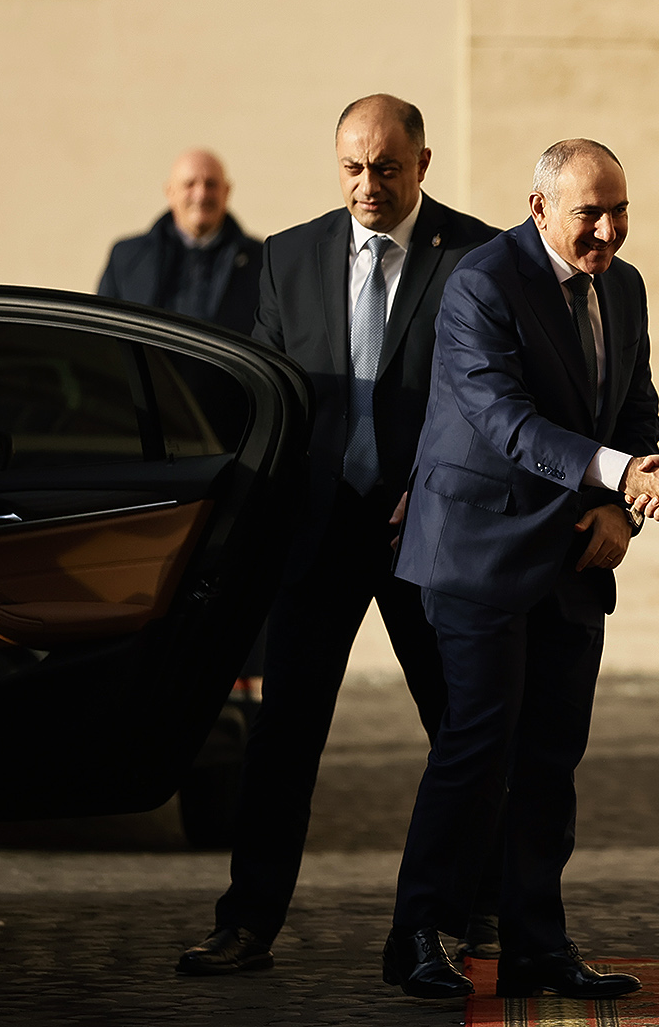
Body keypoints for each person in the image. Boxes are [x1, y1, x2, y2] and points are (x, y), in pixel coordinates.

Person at [176, 95, 498, 976]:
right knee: (283, 736)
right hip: (319, 532)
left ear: (422, 163)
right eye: (353, 167)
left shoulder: (476, 256)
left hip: (426, 529)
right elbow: (272, 392)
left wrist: (434, 486)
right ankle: (247, 921)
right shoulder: (289, 255)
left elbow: (485, 395)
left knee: (461, 725)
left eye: (386, 168)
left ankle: (482, 906)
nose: (367, 185)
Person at [384, 140, 659, 999]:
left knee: (553, 756)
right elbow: (504, 419)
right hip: (477, 549)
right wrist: (621, 476)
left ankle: (535, 944)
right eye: (590, 213)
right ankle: (417, 933)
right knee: (477, 745)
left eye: (620, 211)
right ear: (539, 207)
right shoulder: (482, 283)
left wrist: (622, 508)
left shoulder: (624, 286)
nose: (608, 230)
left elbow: (634, 408)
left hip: (574, 550)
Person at [98, 149, 263, 334]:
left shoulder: (262, 262)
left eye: (211, 184)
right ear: (170, 192)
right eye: (189, 184)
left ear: (226, 192)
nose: (201, 194)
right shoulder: (126, 258)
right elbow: (103, 332)